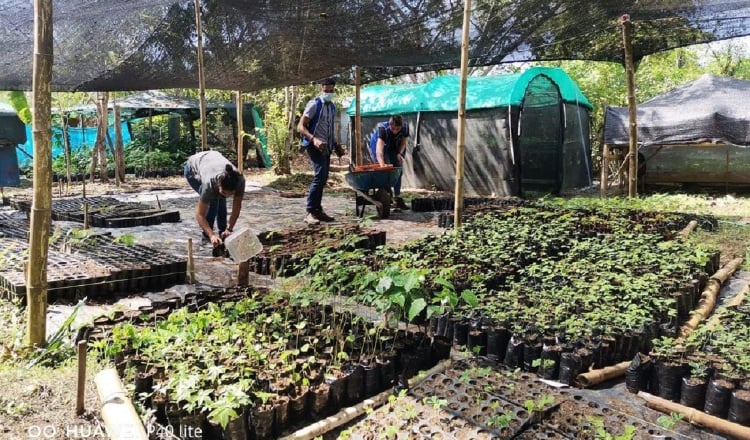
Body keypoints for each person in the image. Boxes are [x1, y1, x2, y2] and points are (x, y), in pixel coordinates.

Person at [297, 78, 338, 225]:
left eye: (331, 91)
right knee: (320, 175)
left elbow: (329, 128)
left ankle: (317, 210)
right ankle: (310, 211)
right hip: (313, 145)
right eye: (326, 91)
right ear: (321, 89)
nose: (328, 93)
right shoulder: (314, 104)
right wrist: (313, 139)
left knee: (324, 177)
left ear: (334, 90)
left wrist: (336, 144)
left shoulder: (332, 107)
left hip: (326, 146)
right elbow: (300, 126)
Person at [184, 150, 245, 247]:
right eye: (224, 193)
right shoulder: (209, 185)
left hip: (212, 158)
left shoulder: (239, 181)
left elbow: (236, 209)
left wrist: (229, 229)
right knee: (213, 202)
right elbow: (200, 214)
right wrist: (211, 234)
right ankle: (207, 237)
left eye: (231, 194)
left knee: (220, 199)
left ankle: (223, 234)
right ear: (218, 185)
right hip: (192, 169)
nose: (227, 196)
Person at [369, 115, 410, 210]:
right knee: (386, 171)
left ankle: (397, 197)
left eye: (397, 129)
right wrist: (382, 165)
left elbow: (403, 142)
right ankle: (387, 196)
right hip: (379, 145)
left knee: (398, 170)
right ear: (390, 124)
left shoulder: (405, 128)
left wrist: (399, 153)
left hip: (394, 146)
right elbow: (379, 151)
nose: (395, 130)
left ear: (401, 126)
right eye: (393, 128)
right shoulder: (383, 129)